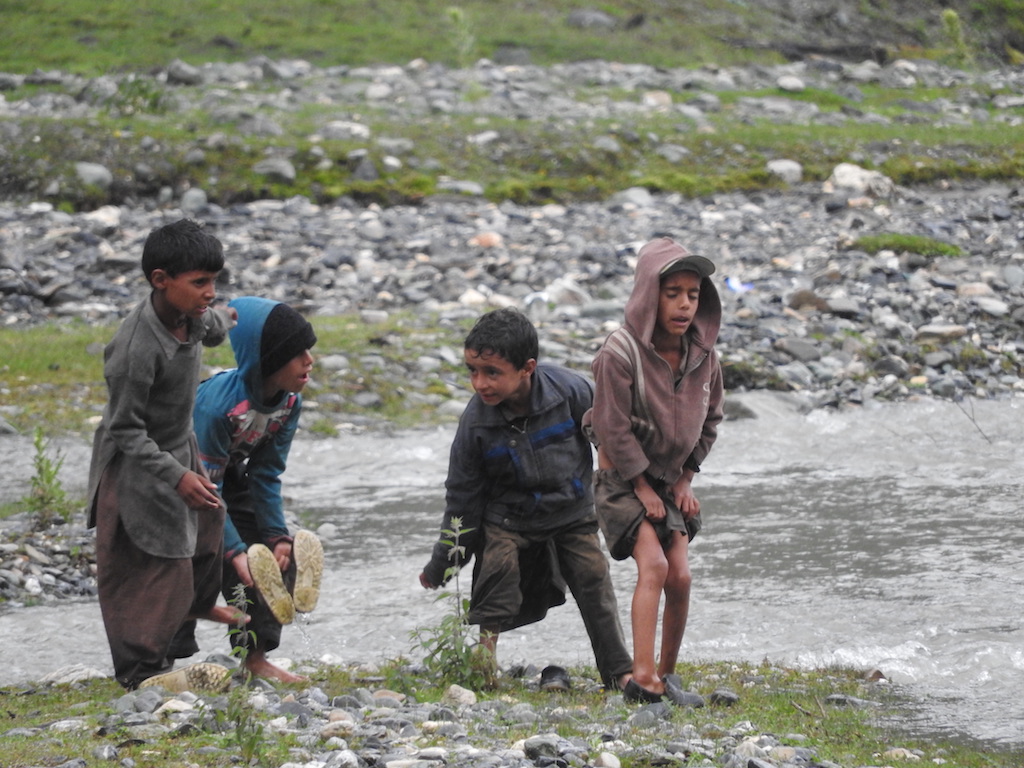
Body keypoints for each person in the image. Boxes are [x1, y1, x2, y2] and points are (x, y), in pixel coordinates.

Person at [419, 307, 633, 692]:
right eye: (472, 371)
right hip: (508, 519)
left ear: (527, 368)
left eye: (492, 373)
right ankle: (483, 669)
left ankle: (619, 671)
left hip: (572, 511)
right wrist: (442, 564)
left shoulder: (571, 391)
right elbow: (462, 500)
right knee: (495, 576)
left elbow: (612, 439)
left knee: (594, 579)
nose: (480, 383)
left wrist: (624, 496)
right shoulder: (475, 425)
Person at [86, 218, 239, 692]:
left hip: (177, 445)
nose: (209, 292)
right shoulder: (136, 348)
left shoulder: (190, 314)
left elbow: (213, 329)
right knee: (151, 560)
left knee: (207, 530)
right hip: (136, 460)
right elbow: (124, 427)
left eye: (214, 281)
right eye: (199, 283)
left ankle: (184, 627)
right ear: (160, 280)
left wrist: (237, 318)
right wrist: (176, 477)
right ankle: (141, 671)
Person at [583, 237, 724, 704]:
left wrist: (685, 479)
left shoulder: (703, 356)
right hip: (621, 479)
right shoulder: (619, 353)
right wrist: (641, 486)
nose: (685, 304)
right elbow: (611, 426)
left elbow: (711, 420)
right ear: (649, 294)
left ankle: (667, 674)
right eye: (672, 293)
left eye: (694, 294)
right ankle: (641, 678)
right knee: (656, 564)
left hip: (669, 479)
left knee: (680, 575)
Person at [192, 296, 324, 683]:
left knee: (267, 556)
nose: (309, 361)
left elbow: (265, 474)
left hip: (225, 476)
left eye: (309, 351)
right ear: (266, 360)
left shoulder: (289, 402)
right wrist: (234, 551)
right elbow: (206, 489)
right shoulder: (219, 408)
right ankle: (157, 660)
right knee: (198, 557)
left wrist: (275, 536)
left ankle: (255, 656)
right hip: (180, 476)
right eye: (297, 354)